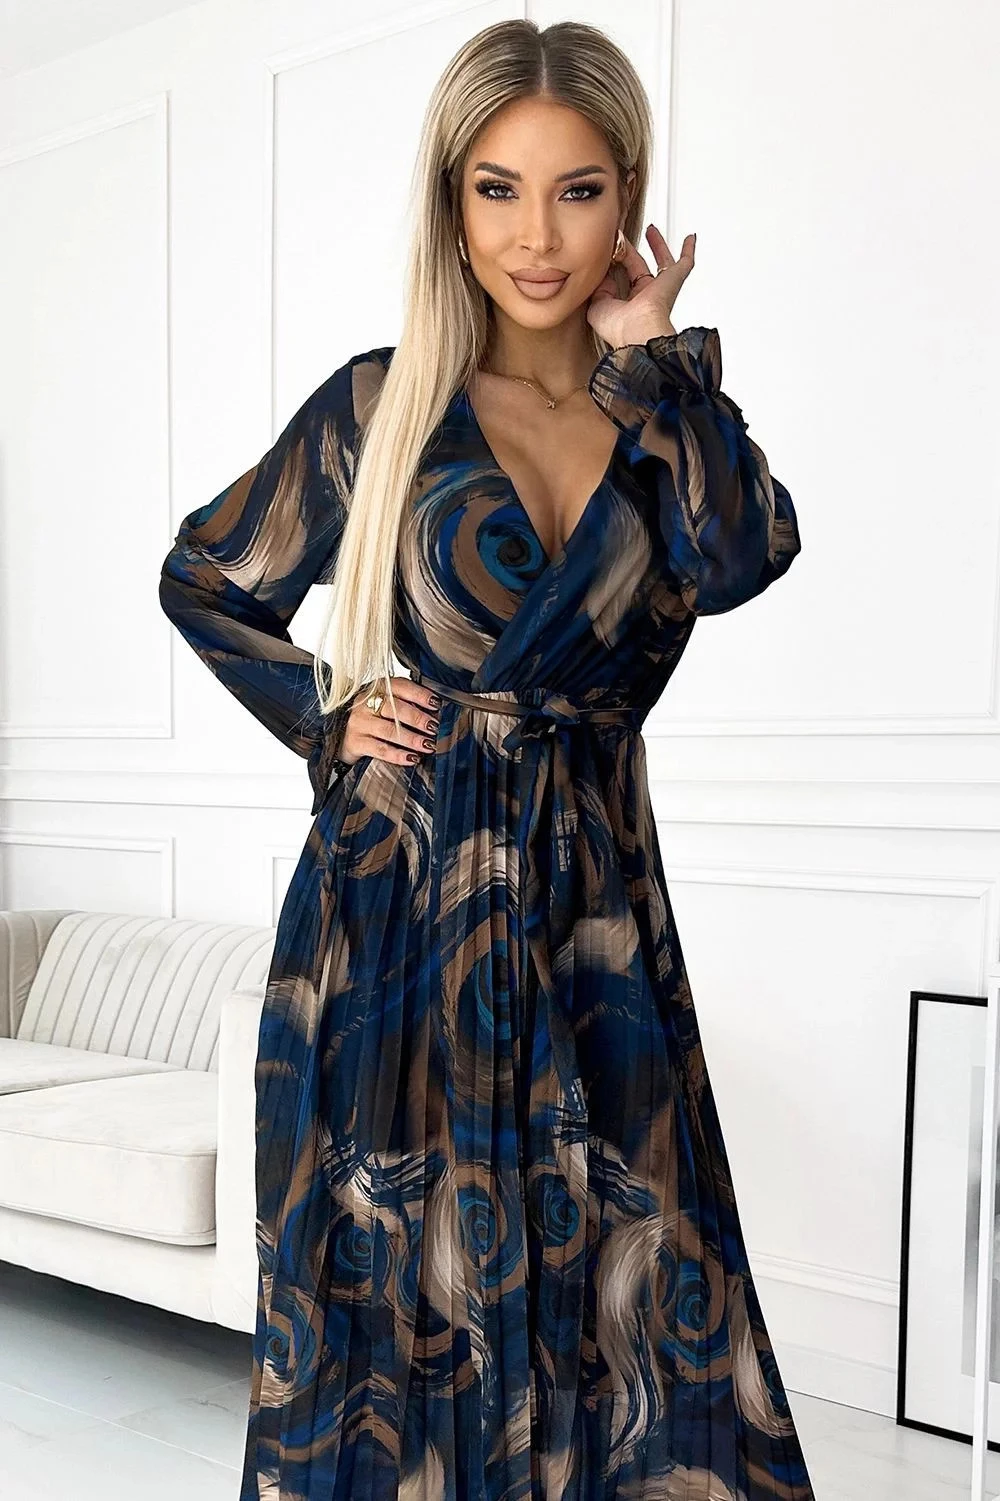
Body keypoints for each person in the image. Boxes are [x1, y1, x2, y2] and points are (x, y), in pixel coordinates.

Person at [159, 17, 810, 1501]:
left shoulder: (660, 422)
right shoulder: (381, 406)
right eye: (498, 189)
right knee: (399, 1310)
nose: (537, 237)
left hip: (596, 919)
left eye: (578, 191)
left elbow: (744, 554)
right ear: (451, 203)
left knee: (640, 1297)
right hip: (399, 912)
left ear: (628, 198)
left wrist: (658, 367)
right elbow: (204, 579)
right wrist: (325, 715)